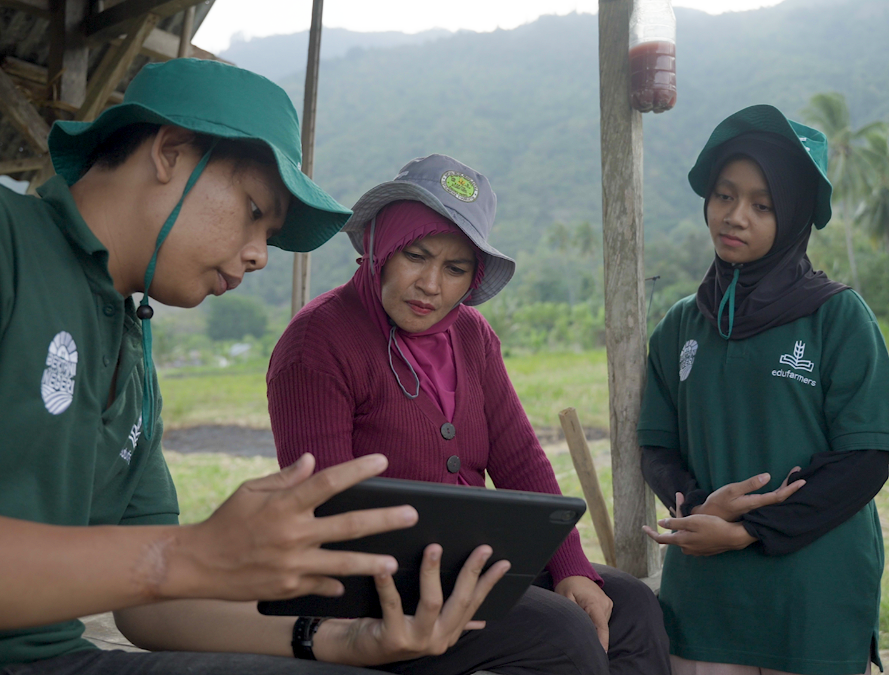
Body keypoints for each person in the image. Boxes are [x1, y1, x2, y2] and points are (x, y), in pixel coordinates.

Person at [0, 60, 512, 675]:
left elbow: (153, 603)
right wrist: (182, 552)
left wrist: (340, 640)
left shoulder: (129, 344)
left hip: (54, 656)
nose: (259, 253)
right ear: (168, 152)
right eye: (255, 210)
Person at [267, 154, 671, 675]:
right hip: (376, 585)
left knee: (631, 605)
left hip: (472, 565)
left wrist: (571, 568)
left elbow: (520, 460)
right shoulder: (318, 341)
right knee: (562, 633)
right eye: (416, 255)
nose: (431, 284)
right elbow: (324, 506)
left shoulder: (471, 335)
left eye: (455, 269)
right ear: (379, 247)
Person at [638, 104, 889, 675]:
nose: (736, 216)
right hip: (706, 603)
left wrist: (746, 531)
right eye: (724, 195)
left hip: (813, 600)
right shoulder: (679, 327)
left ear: (794, 217)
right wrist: (696, 510)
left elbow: (866, 460)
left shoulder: (838, 318)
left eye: (763, 205)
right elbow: (657, 448)